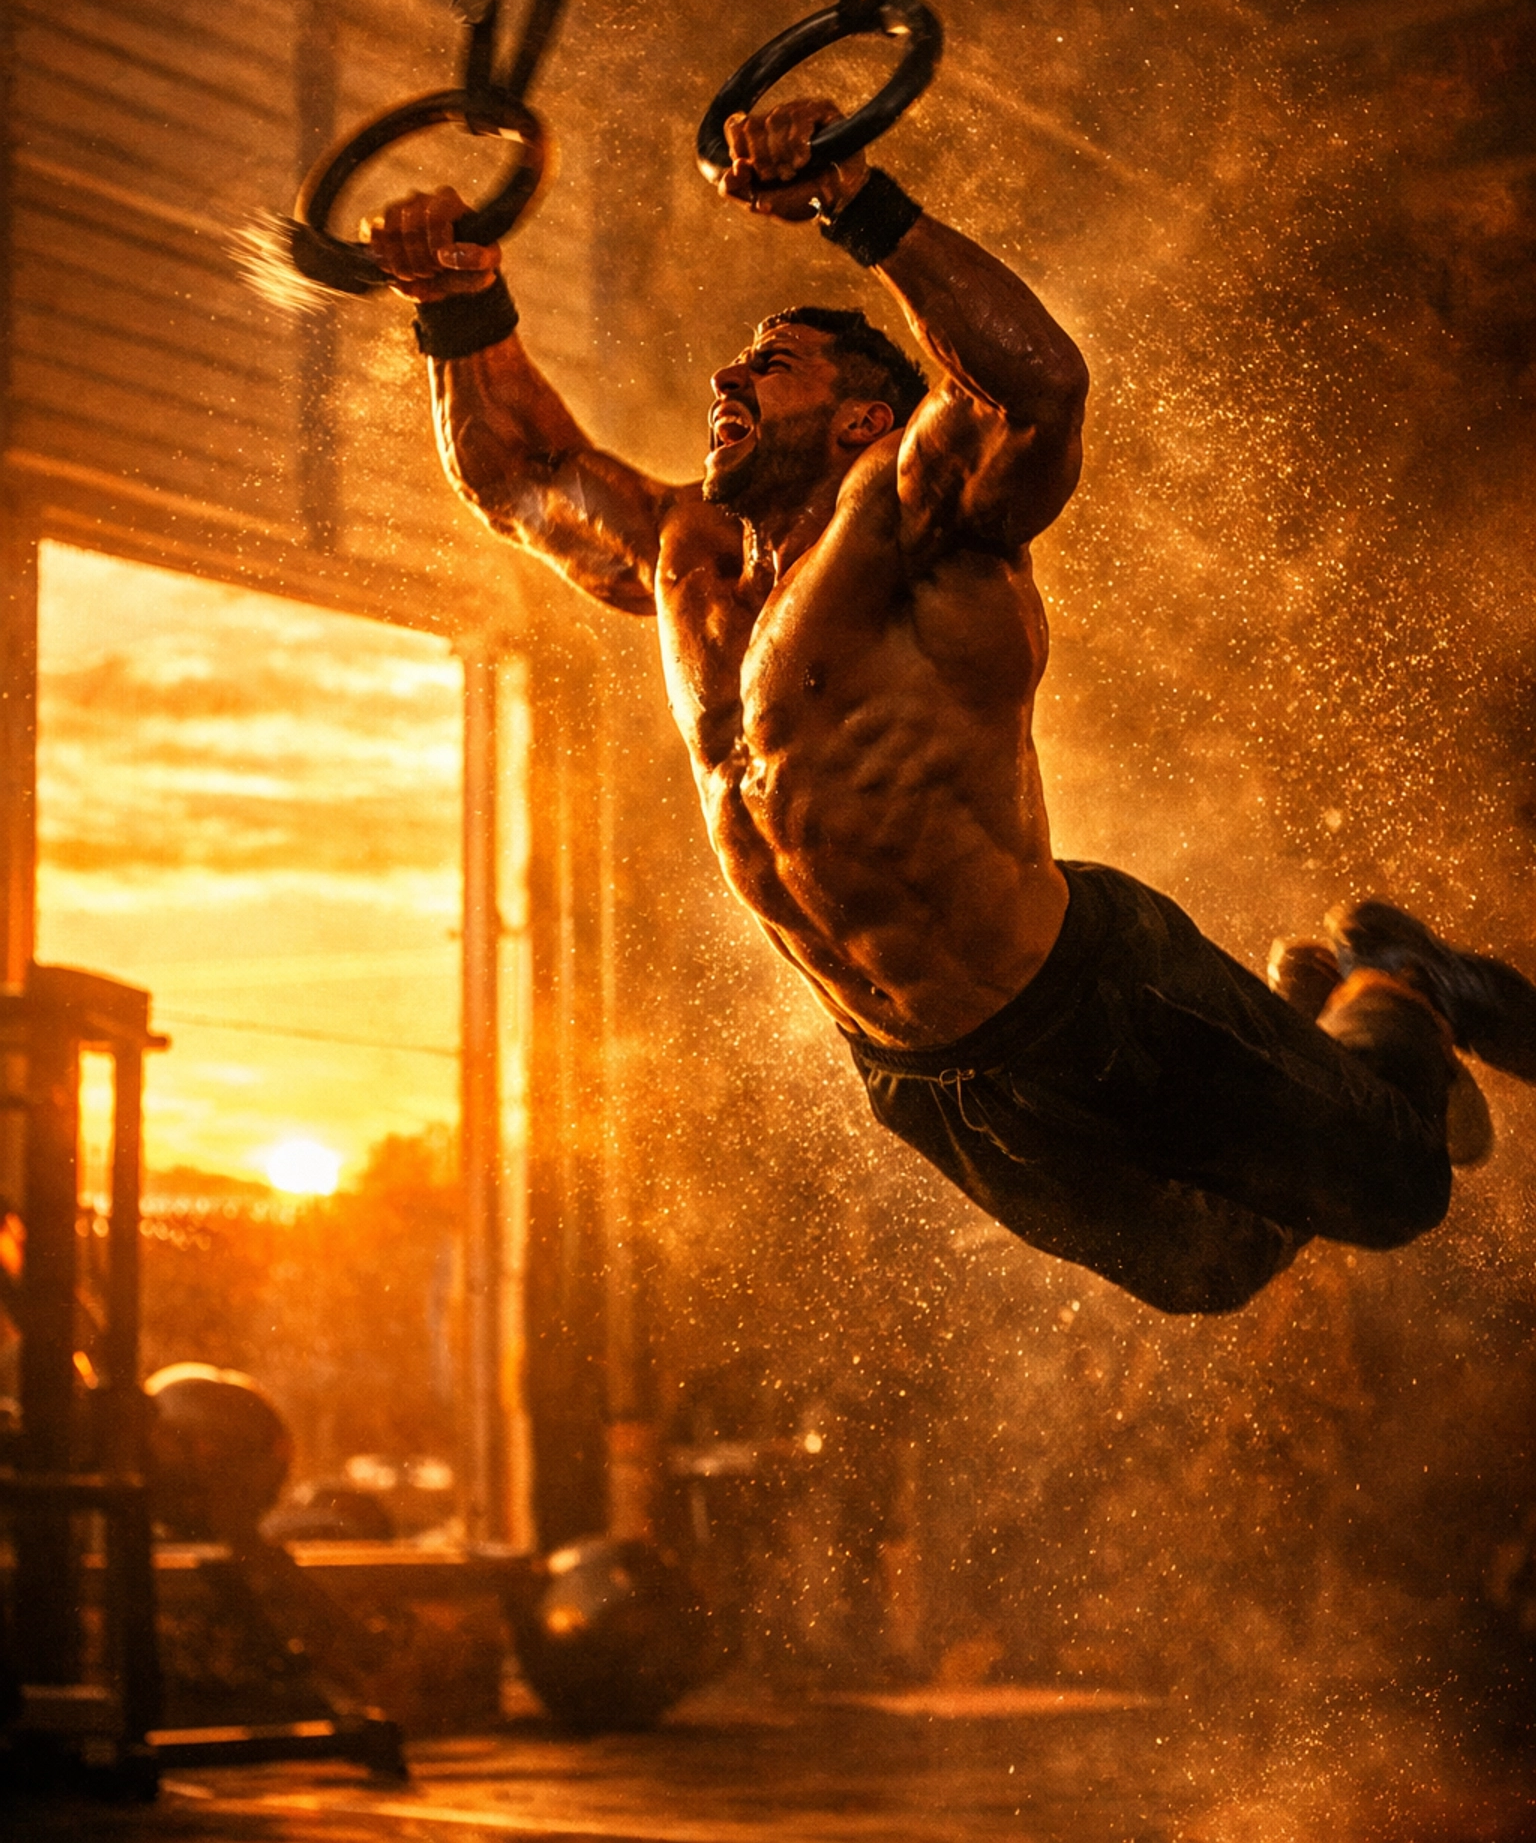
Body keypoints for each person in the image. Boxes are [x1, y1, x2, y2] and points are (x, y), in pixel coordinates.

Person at [369, 103, 1536, 1314]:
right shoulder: (684, 562)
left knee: (1398, 1188)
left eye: (771, 361)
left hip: (1088, 991)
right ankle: (1304, 1009)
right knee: (1215, 1268)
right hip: (921, 1069)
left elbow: (1039, 390)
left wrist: (857, 203)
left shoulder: (910, 514)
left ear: (865, 416)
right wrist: (457, 302)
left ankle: (1401, 974)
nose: (727, 372)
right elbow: (520, 476)